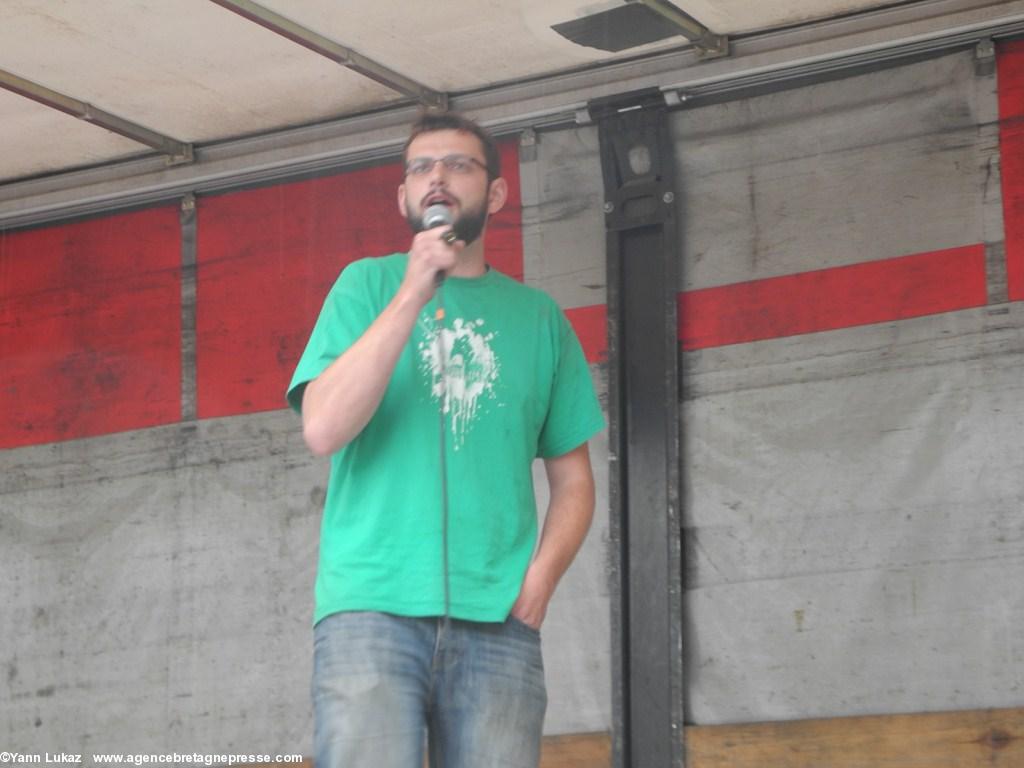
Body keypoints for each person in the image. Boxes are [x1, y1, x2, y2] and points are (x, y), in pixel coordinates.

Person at [286, 111, 604, 768]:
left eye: (458, 164)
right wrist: (412, 292)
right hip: (371, 609)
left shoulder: (540, 319)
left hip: (498, 621)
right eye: (420, 167)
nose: (436, 177)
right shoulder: (366, 285)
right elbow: (322, 428)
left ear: (495, 194)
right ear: (402, 197)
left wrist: (541, 579)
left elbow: (574, 480)